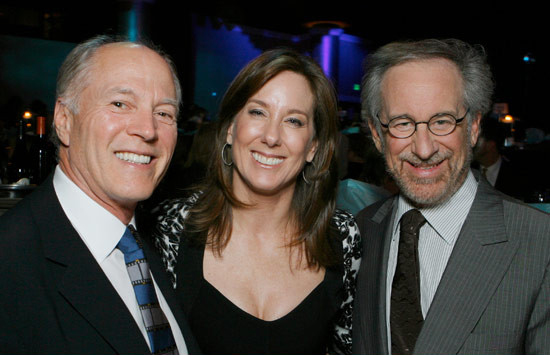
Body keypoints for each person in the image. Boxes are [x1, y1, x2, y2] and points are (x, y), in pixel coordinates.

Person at [0, 35, 200, 355]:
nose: (148, 130)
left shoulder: (148, 245)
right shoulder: (11, 265)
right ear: (64, 121)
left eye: (164, 113)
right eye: (120, 104)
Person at [153, 48, 361, 355]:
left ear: (313, 148)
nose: (271, 136)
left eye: (293, 121)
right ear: (229, 129)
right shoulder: (172, 226)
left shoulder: (342, 237)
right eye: (257, 112)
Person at [352, 38, 550, 355]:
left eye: (442, 121)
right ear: (377, 135)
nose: (424, 148)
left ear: (472, 127)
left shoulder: (539, 244)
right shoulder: (361, 231)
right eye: (402, 123)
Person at [473, 118, 527, 200]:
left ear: (491, 144)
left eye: (476, 140)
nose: (471, 144)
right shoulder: (466, 171)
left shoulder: (516, 174)